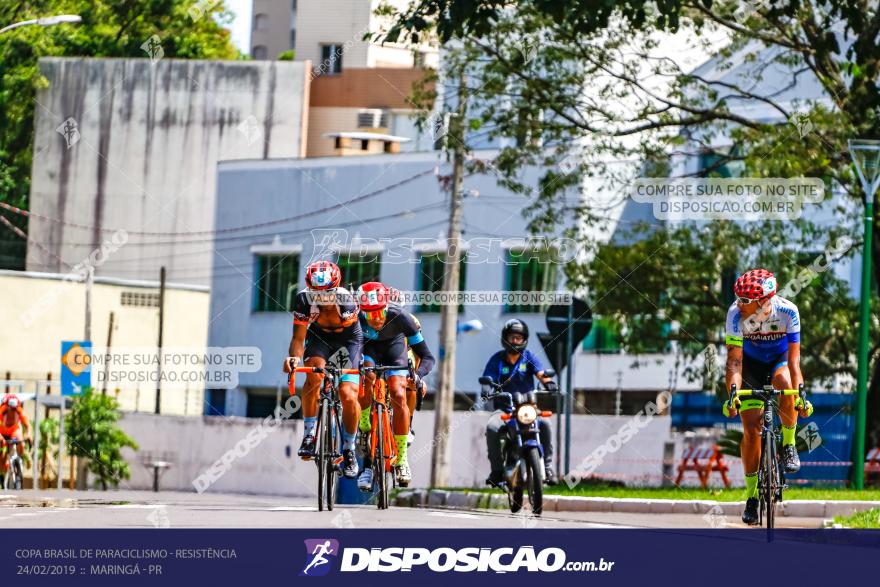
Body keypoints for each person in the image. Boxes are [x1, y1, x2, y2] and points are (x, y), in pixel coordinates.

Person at [723, 268, 812, 525]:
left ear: (764, 301)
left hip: (778, 362)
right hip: (749, 367)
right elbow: (734, 362)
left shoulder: (788, 311)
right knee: (751, 430)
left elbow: (795, 363)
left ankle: (789, 444)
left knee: (785, 382)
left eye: (745, 300)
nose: (739, 304)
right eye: (738, 298)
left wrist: (800, 397)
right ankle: (752, 498)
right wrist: (733, 394)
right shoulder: (735, 315)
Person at [283, 261, 362, 479]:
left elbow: (348, 337)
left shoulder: (345, 300)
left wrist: (335, 369)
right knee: (313, 378)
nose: (320, 297)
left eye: (326, 292)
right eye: (315, 292)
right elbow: (298, 338)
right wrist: (293, 358)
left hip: (349, 340)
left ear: (335, 288)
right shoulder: (302, 300)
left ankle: (349, 447)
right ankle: (309, 435)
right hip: (320, 339)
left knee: (347, 394)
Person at [355, 282, 435, 489]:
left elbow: (425, 356)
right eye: (370, 316)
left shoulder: (405, 319)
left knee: (401, 393)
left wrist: (418, 376)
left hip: (396, 352)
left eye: (380, 314)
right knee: (367, 377)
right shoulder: (354, 317)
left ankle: (401, 458)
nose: (376, 320)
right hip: (369, 351)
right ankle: (365, 428)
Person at [482, 319, 557, 487]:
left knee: (545, 423)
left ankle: (548, 467)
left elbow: (541, 373)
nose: (515, 341)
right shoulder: (498, 360)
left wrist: (548, 383)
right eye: (512, 337)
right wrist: (487, 388)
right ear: (505, 339)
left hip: (528, 409)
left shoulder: (529, 357)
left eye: (519, 338)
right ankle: (496, 471)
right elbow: (488, 378)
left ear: (524, 340)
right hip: (504, 410)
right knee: (492, 428)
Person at [0, 394, 32, 485]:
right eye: (11, 408)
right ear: (7, 406)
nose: (13, 411)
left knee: (20, 442)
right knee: (2, 463)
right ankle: (5, 465)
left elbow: (28, 425)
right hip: (2, 433)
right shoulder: (2, 411)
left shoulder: (19, 411)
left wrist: (29, 435)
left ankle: (21, 458)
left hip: (13, 432)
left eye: (15, 408)